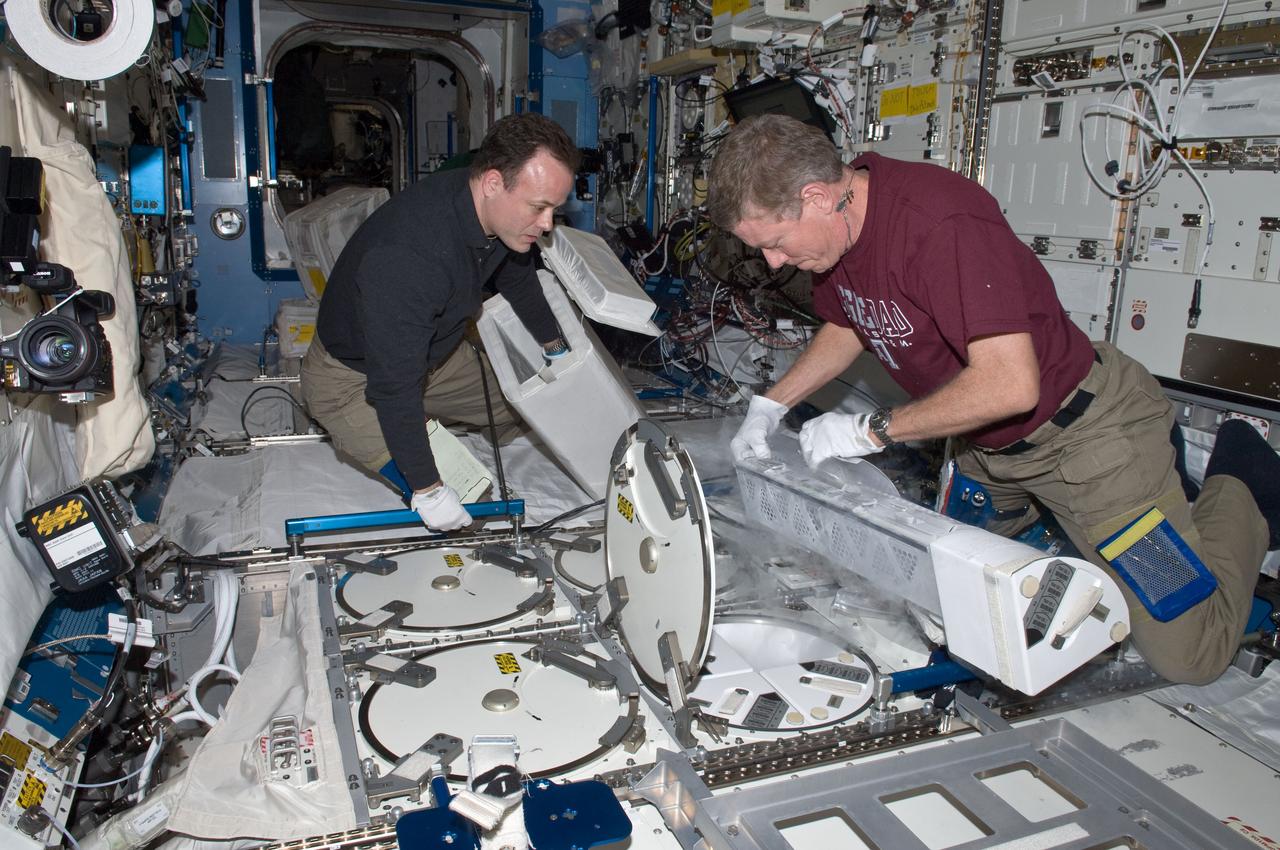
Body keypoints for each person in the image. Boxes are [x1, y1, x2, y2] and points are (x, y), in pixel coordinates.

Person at [708, 113, 1280, 685]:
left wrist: (870, 430)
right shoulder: (837, 236)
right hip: (986, 450)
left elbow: (1010, 385)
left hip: (1086, 440)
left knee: (1191, 655)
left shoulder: (940, 222)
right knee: (943, 610)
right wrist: (771, 406)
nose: (774, 264)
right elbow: (851, 323)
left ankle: (1241, 480)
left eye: (777, 243)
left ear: (816, 196)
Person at [301, 114, 578, 532]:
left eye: (554, 209)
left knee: (523, 405)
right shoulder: (411, 256)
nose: (546, 225)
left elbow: (516, 274)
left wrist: (554, 345)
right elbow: (394, 388)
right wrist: (429, 490)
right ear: (492, 183)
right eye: (539, 207)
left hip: (434, 356)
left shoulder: (492, 215)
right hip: (351, 383)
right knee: (469, 509)